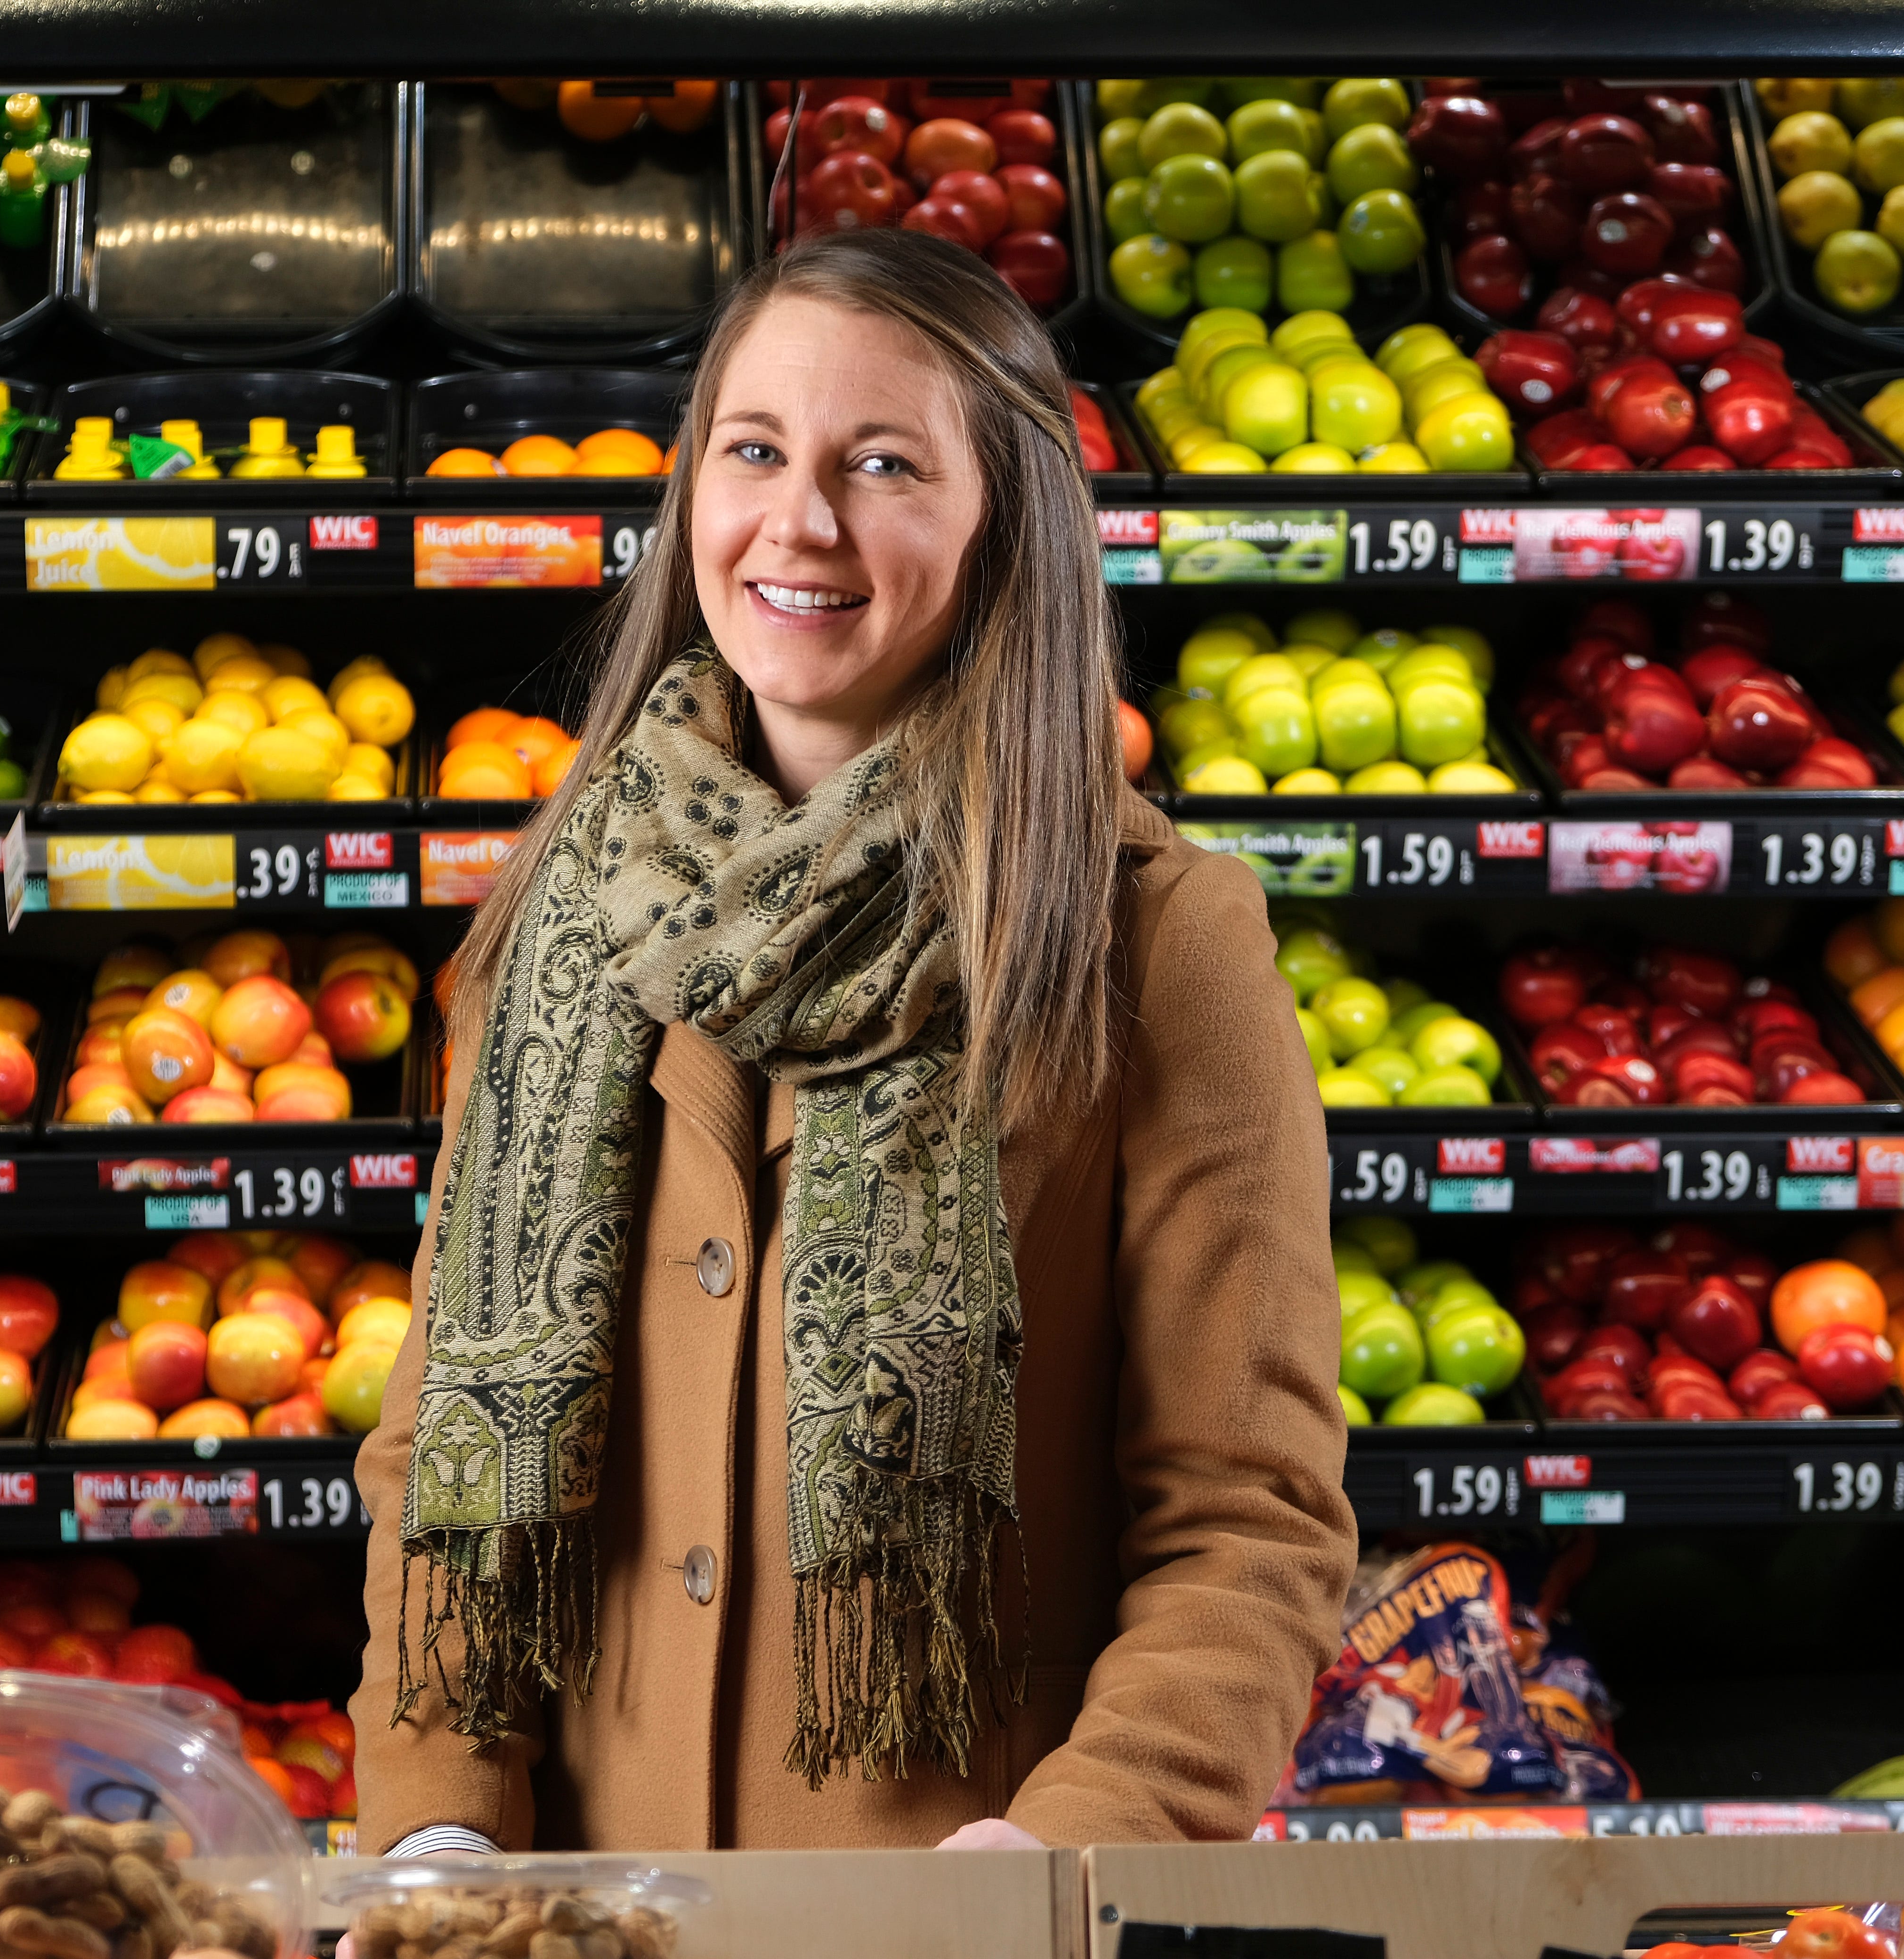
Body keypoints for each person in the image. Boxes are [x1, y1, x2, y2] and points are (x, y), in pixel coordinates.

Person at [351, 226, 1354, 1855]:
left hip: (962, 1909)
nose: (797, 524)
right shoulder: (558, 908)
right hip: (579, 1901)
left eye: (883, 464)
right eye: (755, 451)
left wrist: (1068, 1849)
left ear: (1001, 521)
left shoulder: (1155, 936)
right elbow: (439, 1456)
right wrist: (441, 1825)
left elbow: (1250, 1522)